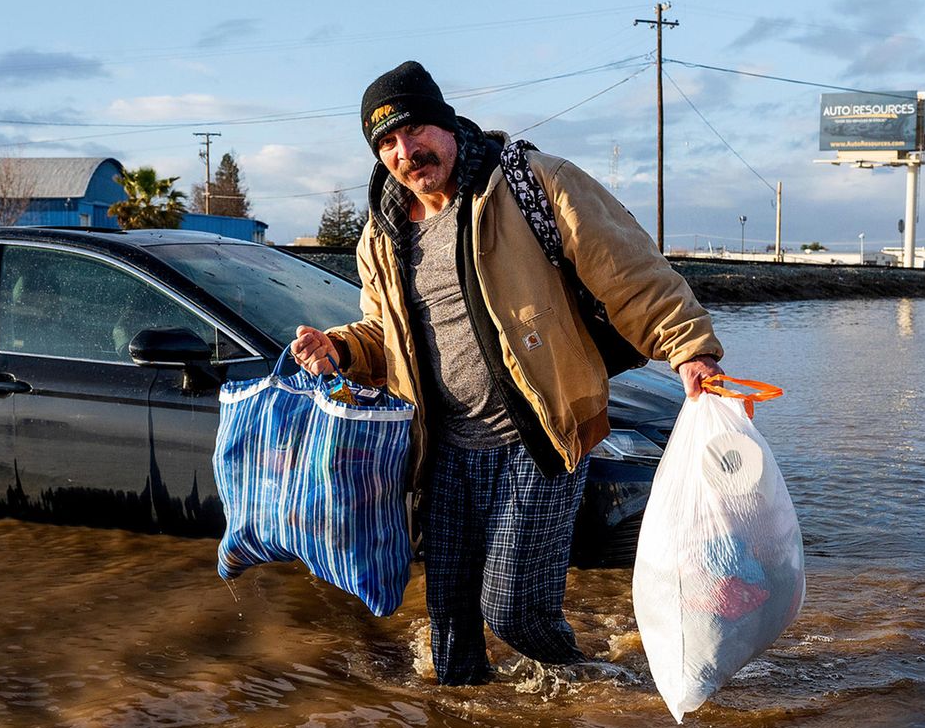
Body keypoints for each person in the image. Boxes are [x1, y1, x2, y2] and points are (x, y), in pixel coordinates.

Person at [290, 61, 725, 685]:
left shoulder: (532, 183)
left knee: (515, 609)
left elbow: (629, 272)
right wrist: (338, 348)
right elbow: (387, 340)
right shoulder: (379, 237)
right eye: (386, 142)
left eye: (415, 131)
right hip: (442, 452)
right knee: (451, 647)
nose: (406, 152)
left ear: (445, 124)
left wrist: (690, 348)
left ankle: (595, 686)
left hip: (540, 437)